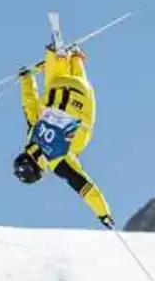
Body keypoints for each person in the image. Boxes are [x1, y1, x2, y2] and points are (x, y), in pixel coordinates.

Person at [13, 42, 115, 229]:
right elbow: (30, 104)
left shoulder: (58, 162)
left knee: (80, 98)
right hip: (57, 86)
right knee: (53, 94)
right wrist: (26, 78)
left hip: (82, 97)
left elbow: (85, 187)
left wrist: (103, 213)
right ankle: (56, 56)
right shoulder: (32, 134)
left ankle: (76, 58)